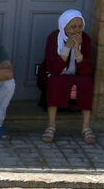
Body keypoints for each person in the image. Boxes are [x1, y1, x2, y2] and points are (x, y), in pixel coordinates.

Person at [36, 9, 96, 144]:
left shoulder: (85, 39)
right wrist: (66, 48)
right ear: (64, 27)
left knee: (87, 81)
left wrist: (76, 49)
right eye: (73, 27)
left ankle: (86, 127)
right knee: (55, 81)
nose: (77, 30)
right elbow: (53, 69)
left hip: (77, 76)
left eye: (80, 26)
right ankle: (51, 126)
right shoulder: (53, 38)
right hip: (56, 75)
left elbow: (87, 70)